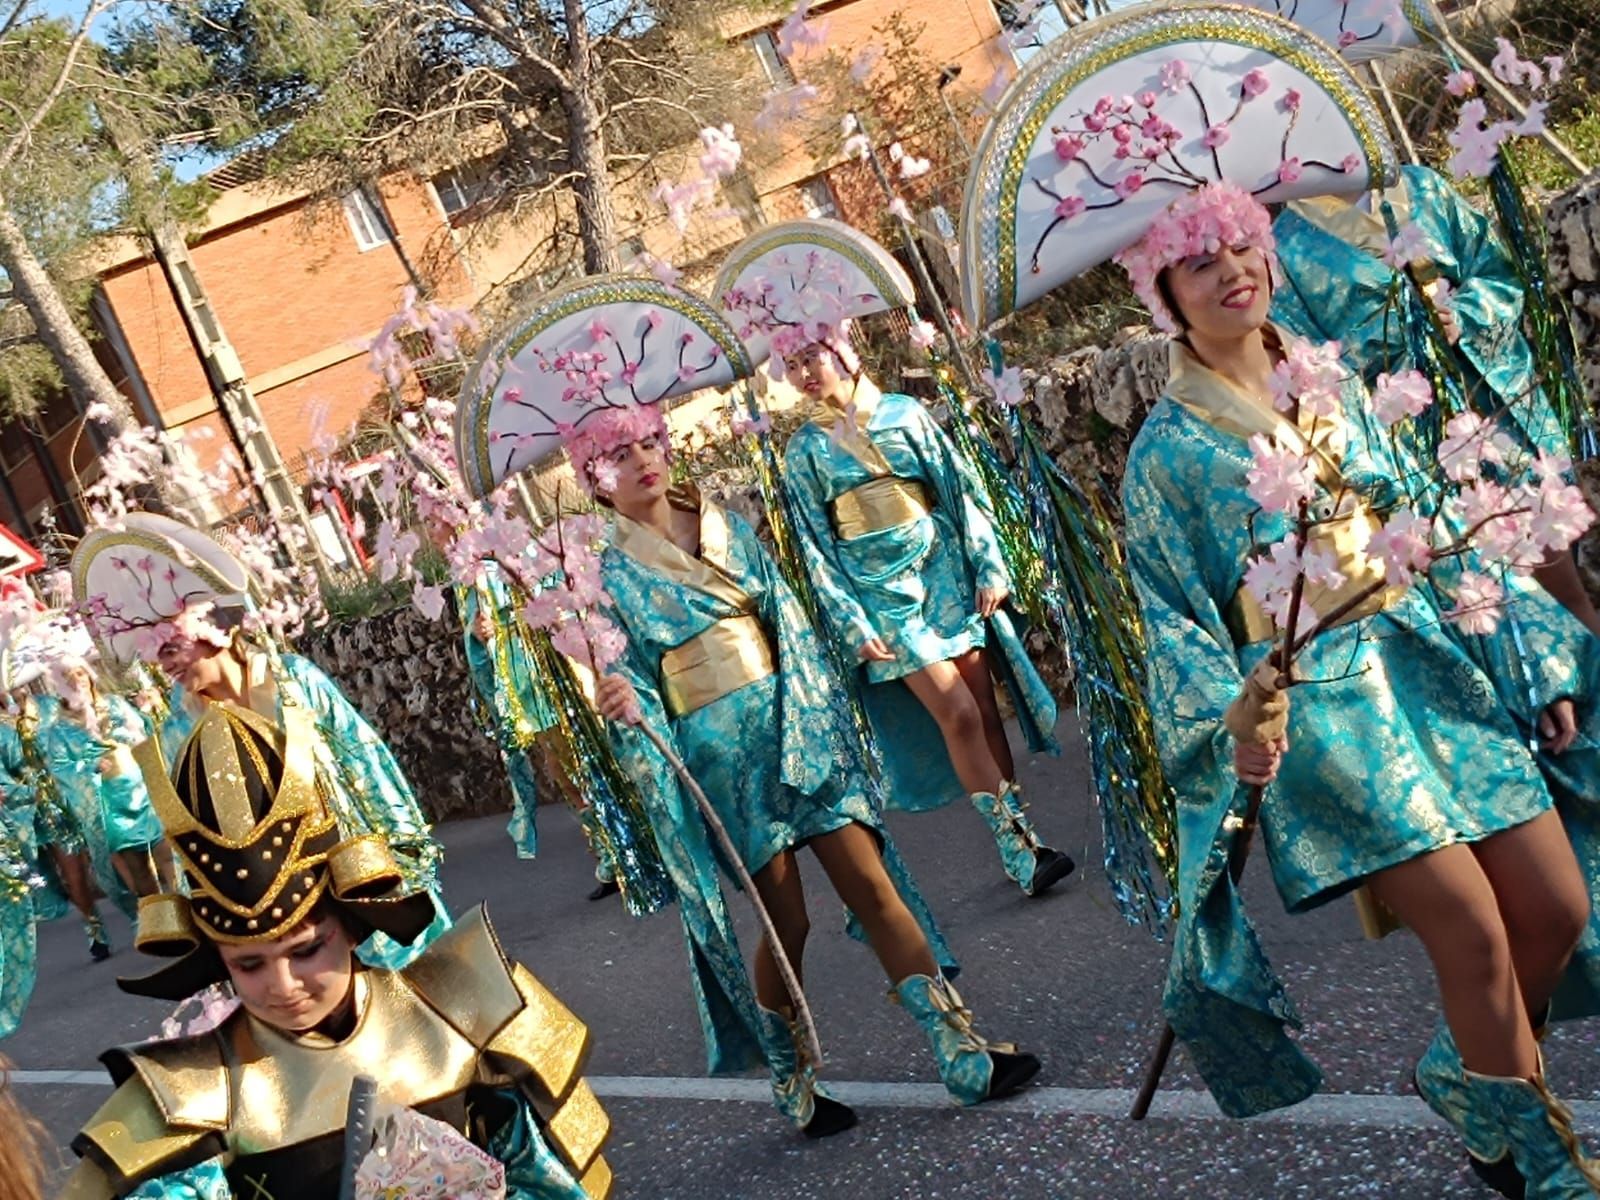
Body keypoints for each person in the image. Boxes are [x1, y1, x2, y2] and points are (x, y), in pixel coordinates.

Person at [1119, 180, 1600, 1195]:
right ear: (1162, 291)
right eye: (1201, 261)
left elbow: (1424, 512)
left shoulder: (1332, 377)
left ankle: (1466, 1074)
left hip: (1427, 662)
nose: (1234, 271)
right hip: (1324, 713)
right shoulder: (1164, 455)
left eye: (1242, 246)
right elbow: (1170, 622)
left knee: (1554, 909)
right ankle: (1547, 1161)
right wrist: (1237, 709)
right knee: (1469, 931)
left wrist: (1522, 654)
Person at [568, 402, 1040, 1136]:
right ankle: (793, 1074)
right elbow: (623, 678)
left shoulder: (727, 525)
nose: (641, 460)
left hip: (798, 726)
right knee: (787, 920)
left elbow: (785, 616)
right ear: (592, 478)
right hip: (718, 757)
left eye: (649, 441)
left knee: (874, 885)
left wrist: (816, 710)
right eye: (618, 454)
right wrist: (624, 701)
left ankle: (962, 1050)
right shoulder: (598, 577)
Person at [59, 700, 613, 1198]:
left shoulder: (463, 1009)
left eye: (306, 951)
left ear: (350, 927)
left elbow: (562, 1179)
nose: (282, 986)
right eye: (248, 964)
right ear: (219, 963)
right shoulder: (197, 1091)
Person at [779, 333, 1073, 897]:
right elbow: (814, 547)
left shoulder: (904, 414)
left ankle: (1026, 840)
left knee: (985, 708)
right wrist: (852, 622)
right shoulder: (805, 451)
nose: (803, 373)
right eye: (790, 365)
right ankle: (1017, 846)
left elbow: (959, 488)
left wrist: (987, 564)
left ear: (845, 351)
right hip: (879, 597)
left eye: (810, 356)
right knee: (958, 714)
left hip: (940, 570)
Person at [460, 567, 619, 900]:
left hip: (550, 676)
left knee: (579, 765)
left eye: (434, 523)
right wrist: (481, 633)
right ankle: (610, 851)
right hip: (527, 688)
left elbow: (554, 602)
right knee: (564, 772)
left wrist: (507, 625)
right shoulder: (468, 574)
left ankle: (620, 849)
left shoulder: (503, 559)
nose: (431, 531)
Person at [47, 659, 174, 899]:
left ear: (90, 676)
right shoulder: (60, 729)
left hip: (144, 791)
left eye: (80, 673)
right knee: (142, 873)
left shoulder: (115, 705)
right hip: (112, 807)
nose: (77, 681)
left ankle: (192, 914)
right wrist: (89, 766)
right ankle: (164, 926)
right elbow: (59, 768)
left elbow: (144, 735)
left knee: (169, 856)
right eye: (68, 678)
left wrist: (147, 711)